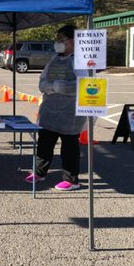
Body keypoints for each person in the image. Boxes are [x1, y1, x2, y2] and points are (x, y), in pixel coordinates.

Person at [25, 24, 87, 191]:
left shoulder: (80, 60)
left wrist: (58, 86)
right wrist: (46, 86)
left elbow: (83, 85)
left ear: (73, 41)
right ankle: (39, 172)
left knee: (69, 147)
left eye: (62, 40)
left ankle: (71, 180)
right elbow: (42, 79)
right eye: (57, 40)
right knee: (44, 143)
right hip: (50, 111)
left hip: (69, 114)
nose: (58, 43)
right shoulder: (55, 58)